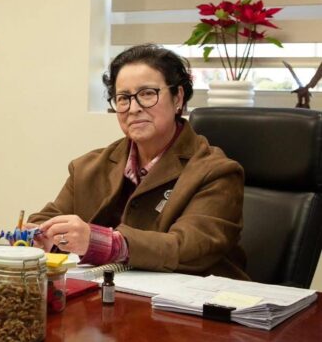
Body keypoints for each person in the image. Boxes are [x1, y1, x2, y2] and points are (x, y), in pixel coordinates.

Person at [27, 44, 248, 279]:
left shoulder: (217, 172)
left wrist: (105, 243)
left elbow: (190, 248)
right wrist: (41, 237)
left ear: (178, 98)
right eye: (123, 98)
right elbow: (45, 220)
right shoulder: (88, 167)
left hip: (195, 296)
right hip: (109, 292)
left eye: (147, 94)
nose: (133, 108)